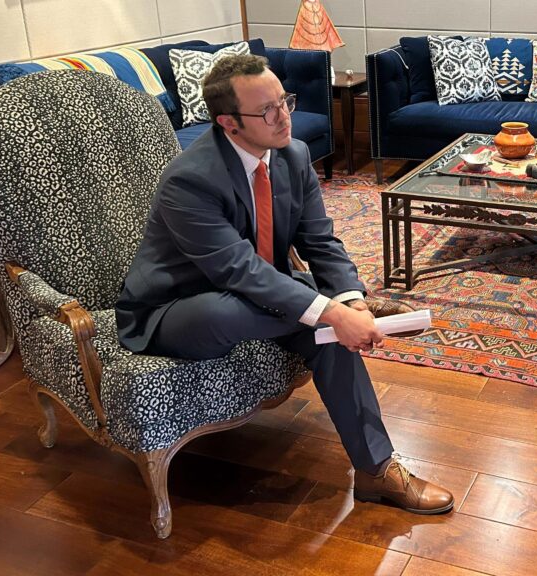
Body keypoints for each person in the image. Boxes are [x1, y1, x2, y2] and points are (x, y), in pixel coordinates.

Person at [115, 54, 453, 515]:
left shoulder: (293, 155)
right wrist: (331, 311)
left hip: (258, 293)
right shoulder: (188, 180)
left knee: (329, 330)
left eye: (284, 101)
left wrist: (348, 302)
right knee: (278, 313)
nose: (284, 116)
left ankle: (376, 471)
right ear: (229, 123)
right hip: (175, 309)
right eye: (267, 110)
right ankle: (339, 313)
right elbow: (237, 270)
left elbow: (320, 240)